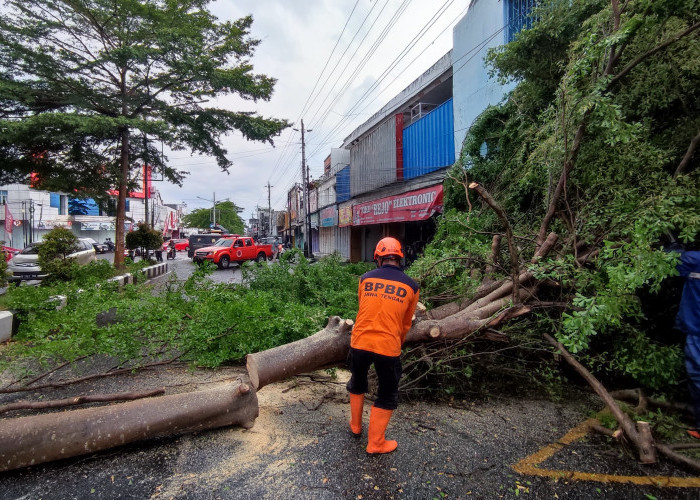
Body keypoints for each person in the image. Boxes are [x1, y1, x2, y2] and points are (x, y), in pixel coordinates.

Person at [346, 237, 420, 454]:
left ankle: (356, 426)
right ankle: (376, 443)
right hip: (388, 345)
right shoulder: (412, 287)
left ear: (377, 257)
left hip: (359, 341)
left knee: (357, 381)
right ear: (399, 258)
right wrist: (398, 342)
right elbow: (406, 323)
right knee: (387, 392)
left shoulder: (364, 279)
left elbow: (364, 308)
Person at [675, 248, 700, 438]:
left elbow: (666, 260)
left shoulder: (694, 260)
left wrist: (673, 246)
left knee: (697, 375)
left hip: (697, 330)